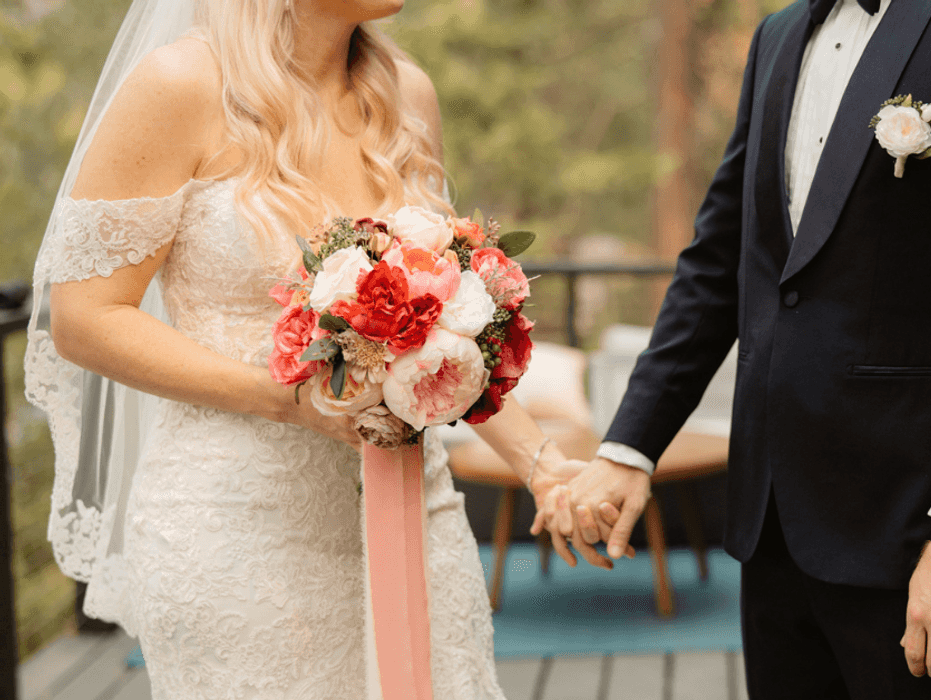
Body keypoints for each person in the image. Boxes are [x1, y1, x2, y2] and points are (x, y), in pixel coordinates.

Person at [24, 0, 606, 697]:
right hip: (238, 521)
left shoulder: (406, 94)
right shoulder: (179, 84)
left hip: (412, 511)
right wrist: (286, 401)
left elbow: (441, 338)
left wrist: (541, 466)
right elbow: (86, 319)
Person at [533, 0, 931, 697]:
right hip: (772, 526)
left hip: (918, 529)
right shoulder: (777, 35)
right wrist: (629, 447)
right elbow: (721, 260)